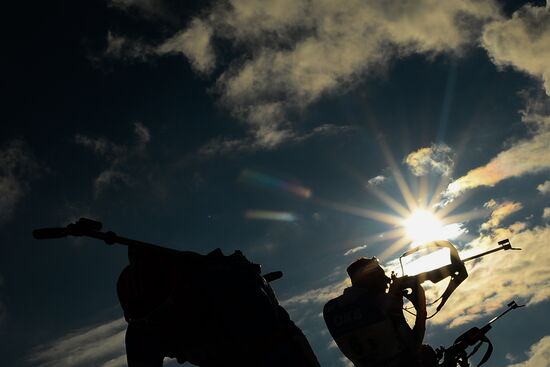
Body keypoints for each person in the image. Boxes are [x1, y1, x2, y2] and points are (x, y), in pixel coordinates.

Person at [323, 257, 434, 367]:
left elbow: (369, 317)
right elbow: (413, 345)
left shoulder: (330, 309)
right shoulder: (382, 303)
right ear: (370, 278)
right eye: (381, 275)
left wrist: (393, 300)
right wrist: (421, 308)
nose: (387, 280)